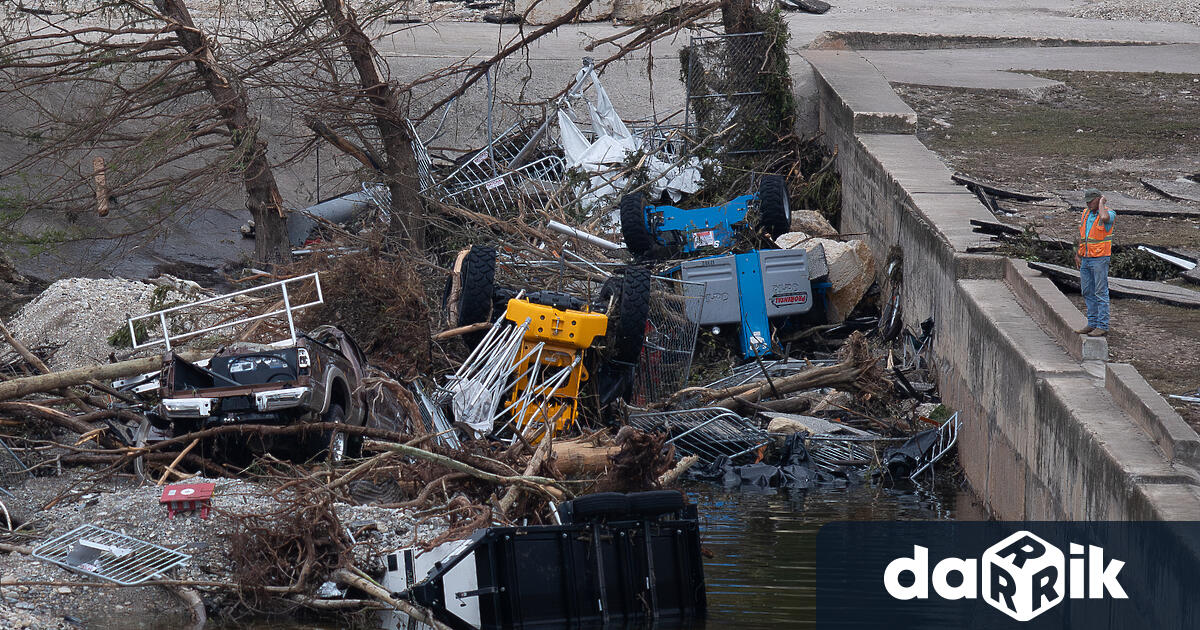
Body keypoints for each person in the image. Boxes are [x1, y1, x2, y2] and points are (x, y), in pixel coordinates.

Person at [1074, 188, 1115, 337]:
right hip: (1086, 258)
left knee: (1100, 292)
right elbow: (1082, 235)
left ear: (1099, 199)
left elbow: (1104, 218)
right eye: (1087, 201)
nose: (1088, 204)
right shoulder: (1085, 213)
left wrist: (1102, 204)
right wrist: (1078, 253)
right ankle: (1092, 323)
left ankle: (1102, 325)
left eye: (1091, 201)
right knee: (1087, 291)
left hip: (1100, 259)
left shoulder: (1109, 213)